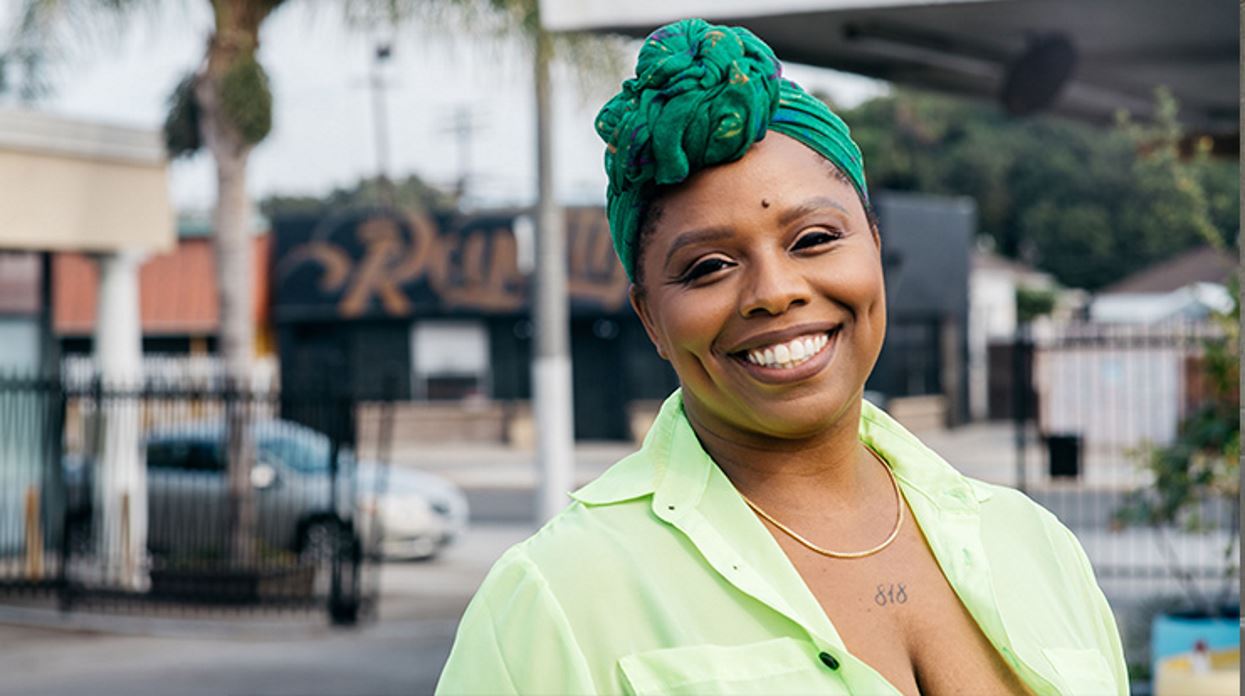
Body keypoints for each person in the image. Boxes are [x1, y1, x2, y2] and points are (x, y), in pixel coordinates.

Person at [437, 18, 1127, 696]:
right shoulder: (555, 598)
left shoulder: (1033, 545)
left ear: (875, 246)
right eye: (707, 266)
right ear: (650, 316)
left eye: (814, 238)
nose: (774, 292)